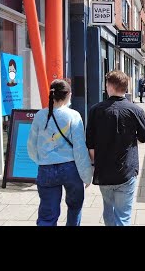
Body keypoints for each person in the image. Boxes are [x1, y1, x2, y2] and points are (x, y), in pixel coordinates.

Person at [27, 79, 93, 226]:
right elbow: (80, 149)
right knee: (75, 207)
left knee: (47, 214)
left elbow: (31, 144)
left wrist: (39, 160)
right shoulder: (73, 115)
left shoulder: (40, 115)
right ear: (68, 95)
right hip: (71, 168)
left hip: (46, 168)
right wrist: (87, 175)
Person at [86, 70, 145, 225]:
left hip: (104, 172)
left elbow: (90, 144)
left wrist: (95, 164)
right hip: (126, 170)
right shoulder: (136, 111)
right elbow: (143, 138)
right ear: (126, 88)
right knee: (123, 216)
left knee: (108, 210)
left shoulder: (95, 110)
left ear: (109, 86)